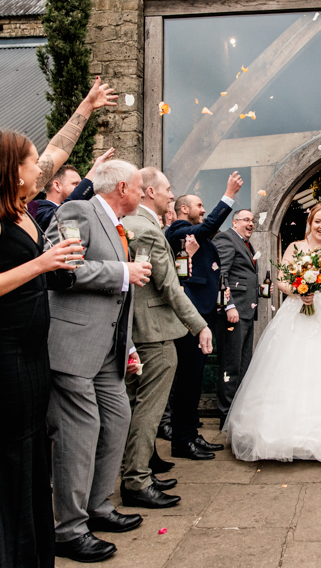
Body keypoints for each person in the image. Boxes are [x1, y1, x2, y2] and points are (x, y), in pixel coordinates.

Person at [0, 77, 116, 568]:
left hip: (31, 352)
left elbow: (58, 151)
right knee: (7, 459)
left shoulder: (22, 209)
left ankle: (28, 554)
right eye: (30, 162)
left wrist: (85, 106)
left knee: (31, 460)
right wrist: (41, 265)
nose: (39, 166)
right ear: (10, 168)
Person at [44, 160, 152, 563]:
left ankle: (98, 507)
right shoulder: (78, 211)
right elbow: (62, 267)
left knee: (118, 417)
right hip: (73, 344)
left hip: (110, 349)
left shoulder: (121, 226)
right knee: (79, 431)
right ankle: (68, 530)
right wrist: (121, 270)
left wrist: (127, 346)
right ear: (122, 187)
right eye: (139, 187)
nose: (143, 194)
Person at [224, 203, 321, 464]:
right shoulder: (295, 248)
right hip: (297, 311)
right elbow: (282, 281)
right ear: (310, 223)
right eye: (317, 221)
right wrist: (299, 291)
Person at [120, 167, 212, 509]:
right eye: (167, 189)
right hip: (152, 331)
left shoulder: (136, 225)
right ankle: (137, 480)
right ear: (148, 192)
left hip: (138, 330)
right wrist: (199, 325)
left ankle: (137, 469)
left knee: (134, 404)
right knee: (148, 407)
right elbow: (170, 287)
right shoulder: (145, 230)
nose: (171, 194)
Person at [159, 172, 243, 460]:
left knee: (193, 381)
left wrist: (223, 296)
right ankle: (182, 441)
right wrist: (228, 195)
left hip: (205, 312)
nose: (203, 210)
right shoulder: (178, 231)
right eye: (198, 205)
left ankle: (192, 434)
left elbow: (211, 269)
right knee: (188, 381)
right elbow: (206, 228)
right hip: (189, 317)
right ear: (184, 210)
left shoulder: (197, 236)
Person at [213, 208, 259, 425]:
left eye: (253, 220)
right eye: (247, 220)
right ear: (235, 222)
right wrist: (229, 305)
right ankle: (225, 415)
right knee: (231, 366)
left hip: (246, 312)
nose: (251, 223)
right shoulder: (226, 239)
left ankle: (236, 413)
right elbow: (220, 273)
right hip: (233, 313)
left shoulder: (247, 245)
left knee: (243, 365)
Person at [33, 147, 114, 232]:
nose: (79, 188)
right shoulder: (39, 210)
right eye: (75, 184)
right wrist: (95, 170)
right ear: (57, 186)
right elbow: (62, 213)